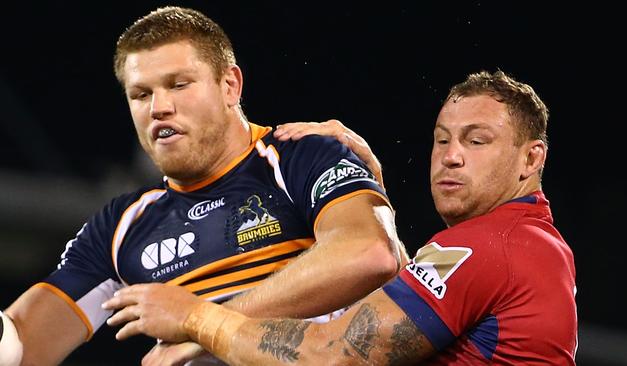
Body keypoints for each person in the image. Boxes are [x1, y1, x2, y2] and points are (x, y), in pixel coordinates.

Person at [0, 6, 408, 365]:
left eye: (179, 84)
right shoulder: (120, 226)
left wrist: (200, 323)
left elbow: (370, 253)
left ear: (230, 85)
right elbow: (20, 344)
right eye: (141, 94)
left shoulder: (301, 156)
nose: (159, 107)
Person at [103, 70, 578, 365]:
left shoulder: (490, 245)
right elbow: (410, 326)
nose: (451, 156)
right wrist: (376, 200)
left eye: (476, 141)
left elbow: (335, 356)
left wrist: (195, 317)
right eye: (441, 139)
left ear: (530, 159)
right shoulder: (520, 242)